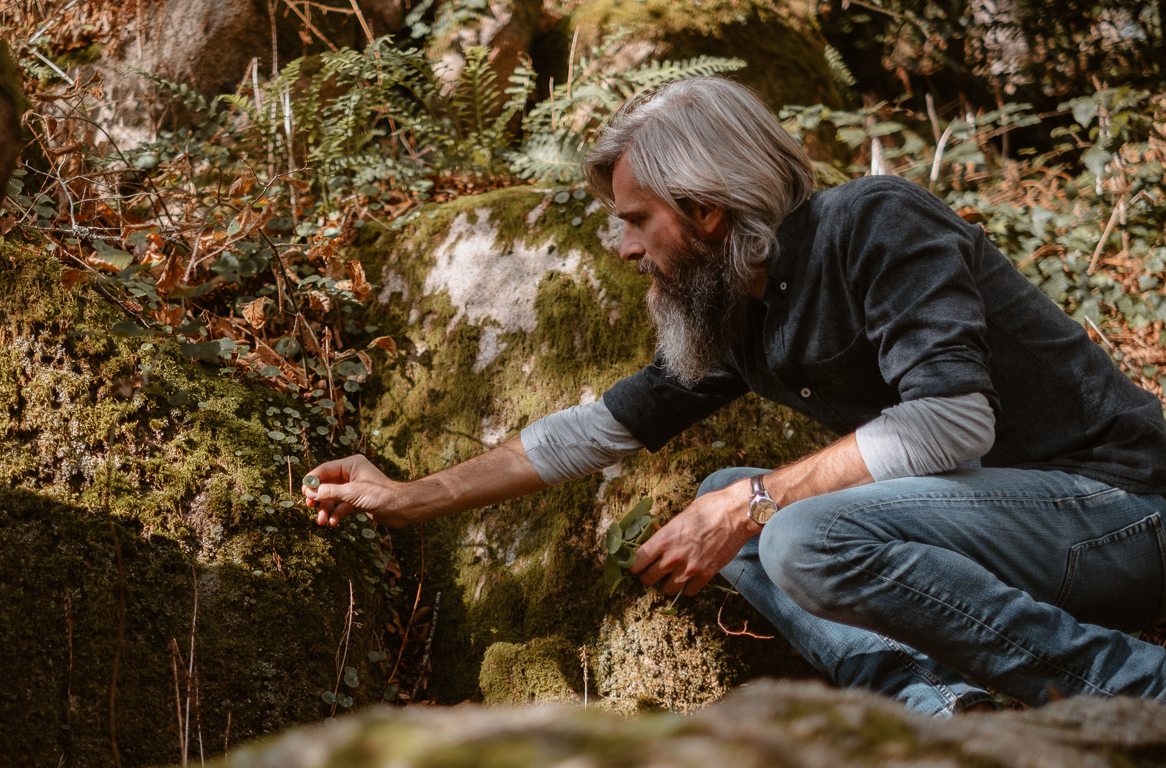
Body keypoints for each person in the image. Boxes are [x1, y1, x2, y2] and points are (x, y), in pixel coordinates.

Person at [302, 76, 1166, 716]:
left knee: (791, 528)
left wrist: (755, 503)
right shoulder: (741, 310)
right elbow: (599, 430)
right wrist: (412, 498)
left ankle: (1131, 687)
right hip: (1009, 537)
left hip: (1124, 510)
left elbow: (951, 421)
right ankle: (940, 708)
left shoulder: (875, 223)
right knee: (738, 505)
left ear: (708, 209)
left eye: (637, 219)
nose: (622, 246)